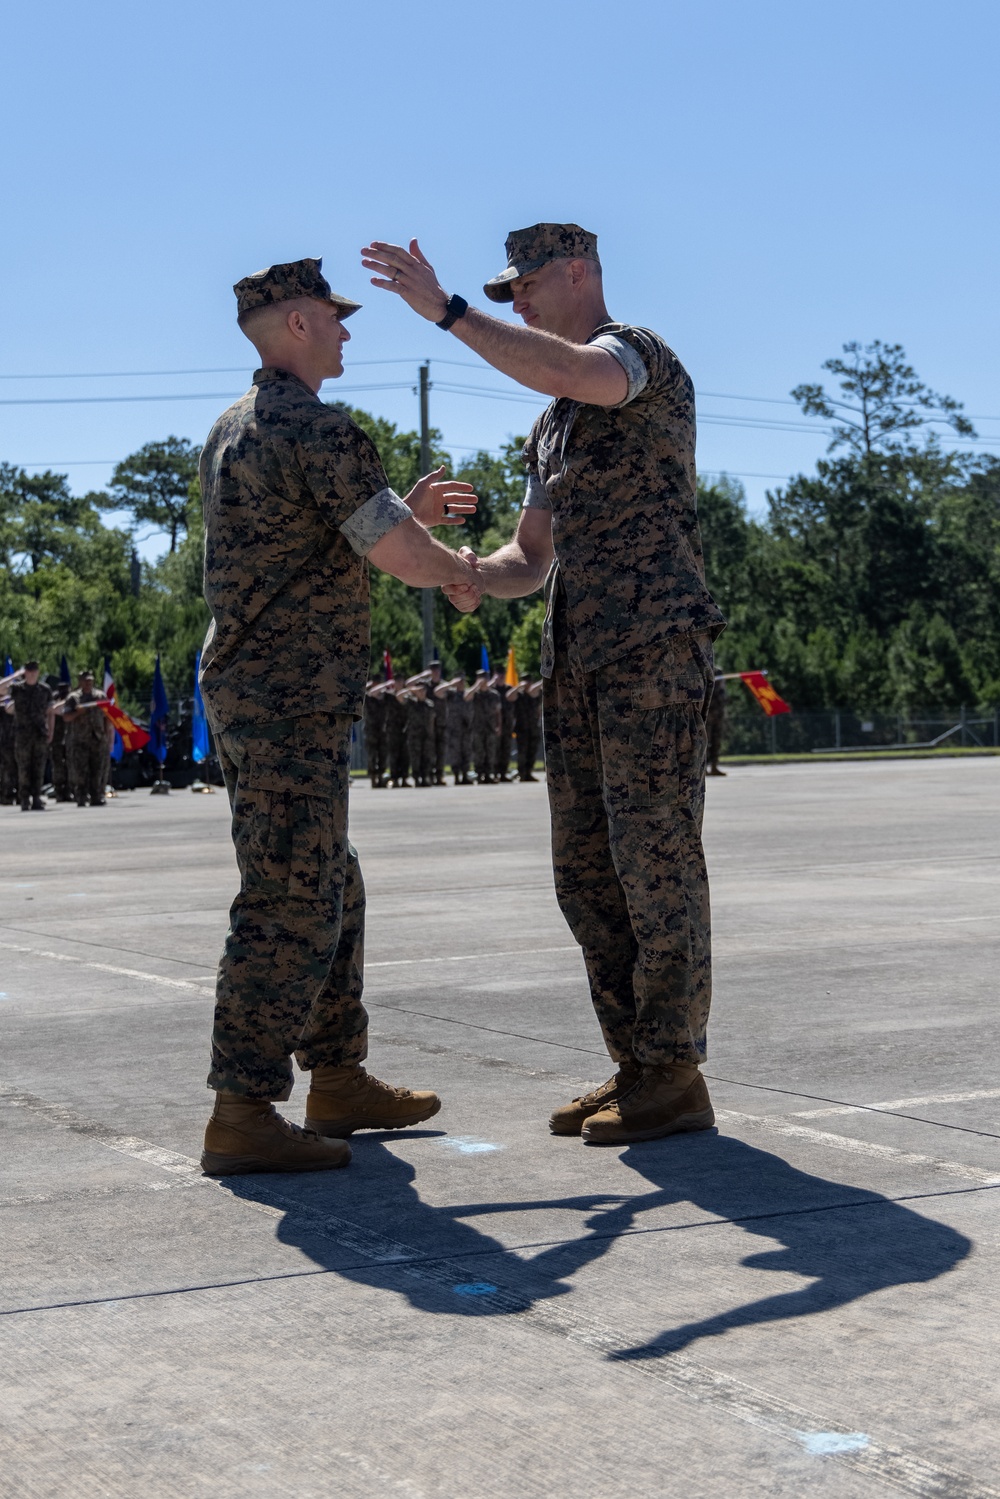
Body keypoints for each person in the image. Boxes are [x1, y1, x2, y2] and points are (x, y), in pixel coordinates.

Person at [363, 224, 725, 1145]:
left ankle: (676, 1071)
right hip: (580, 664)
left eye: (523, 284)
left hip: (652, 654)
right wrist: (468, 571)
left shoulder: (634, 358)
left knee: (656, 863)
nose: (514, 298)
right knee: (586, 873)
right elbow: (531, 557)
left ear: (579, 272)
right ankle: (638, 1063)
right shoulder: (551, 425)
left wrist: (449, 312)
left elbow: (575, 372)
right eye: (503, 290)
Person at [198, 256, 478, 1176]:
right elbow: (398, 555)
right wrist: (463, 571)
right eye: (336, 315)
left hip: (257, 691)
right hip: (287, 697)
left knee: (331, 881)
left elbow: (326, 536)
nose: (349, 330)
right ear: (298, 326)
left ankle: (339, 1076)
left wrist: (406, 515)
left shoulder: (235, 427)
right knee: (290, 896)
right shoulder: (320, 430)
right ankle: (242, 1109)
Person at [62, 670, 112, 807]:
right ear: (80, 681)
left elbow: (107, 717)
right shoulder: (73, 698)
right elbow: (66, 717)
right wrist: (77, 712)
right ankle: (82, 796)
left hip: (98, 739)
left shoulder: (100, 696)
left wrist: (108, 736)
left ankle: (97, 795)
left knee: (98, 769)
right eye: (85, 680)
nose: (88, 683)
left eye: (90, 680)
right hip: (80, 740)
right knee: (80, 770)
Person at [8, 662, 53, 811]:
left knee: (39, 768)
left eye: (35, 671)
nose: (32, 674)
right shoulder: (17, 689)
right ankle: (24, 799)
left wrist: (50, 731)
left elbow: (50, 712)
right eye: (29, 671)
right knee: (23, 768)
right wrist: (14, 676)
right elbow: (1, 689)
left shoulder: (45, 690)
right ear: (25, 672)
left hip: (39, 734)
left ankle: (36, 798)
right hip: (22, 735)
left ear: (38, 672)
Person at [512, 674, 543, 781]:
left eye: (529, 681)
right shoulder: (519, 695)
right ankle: (522, 774)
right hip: (522, 729)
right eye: (525, 681)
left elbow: (538, 709)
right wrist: (517, 687)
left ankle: (528, 773)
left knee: (532, 752)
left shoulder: (536, 694)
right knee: (522, 753)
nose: (527, 684)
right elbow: (508, 696)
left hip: (533, 728)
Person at [442, 673, 472, 783]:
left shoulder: (467, 693)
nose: (461, 684)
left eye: (463, 681)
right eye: (460, 681)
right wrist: (451, 684)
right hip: (454, 729)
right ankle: (456, 777)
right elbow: (438, 691)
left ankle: (465, 776)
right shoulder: (451, 694)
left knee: (466, 752)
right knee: (455, 753)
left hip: (466, 728)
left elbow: (472, 693)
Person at [363, 675, 389, 787]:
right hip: (371, 730)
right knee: (372, 755)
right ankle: (373, 778)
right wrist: (370, 684)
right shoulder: (368, 697)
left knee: (383, 754)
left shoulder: (385, 697)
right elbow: (369, 692)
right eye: (375, 683)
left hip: (383, 730)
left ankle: (381, 777)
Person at [50, 682, 73, 801]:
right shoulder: (54, 700)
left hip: (70, 737)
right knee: (58, 765)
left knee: (71, 764)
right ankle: (59, 791)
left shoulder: (73, 700)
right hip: (57, 738)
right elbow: (54, 710)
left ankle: (69, 790)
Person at [706, 675, 727, 776]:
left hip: (718, 714)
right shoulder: (703, 667)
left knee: (716, 742)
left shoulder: (719, 672)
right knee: (705, 742)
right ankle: (703, 768)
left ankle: (714, 766)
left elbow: (722, 694)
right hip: (707, 715)